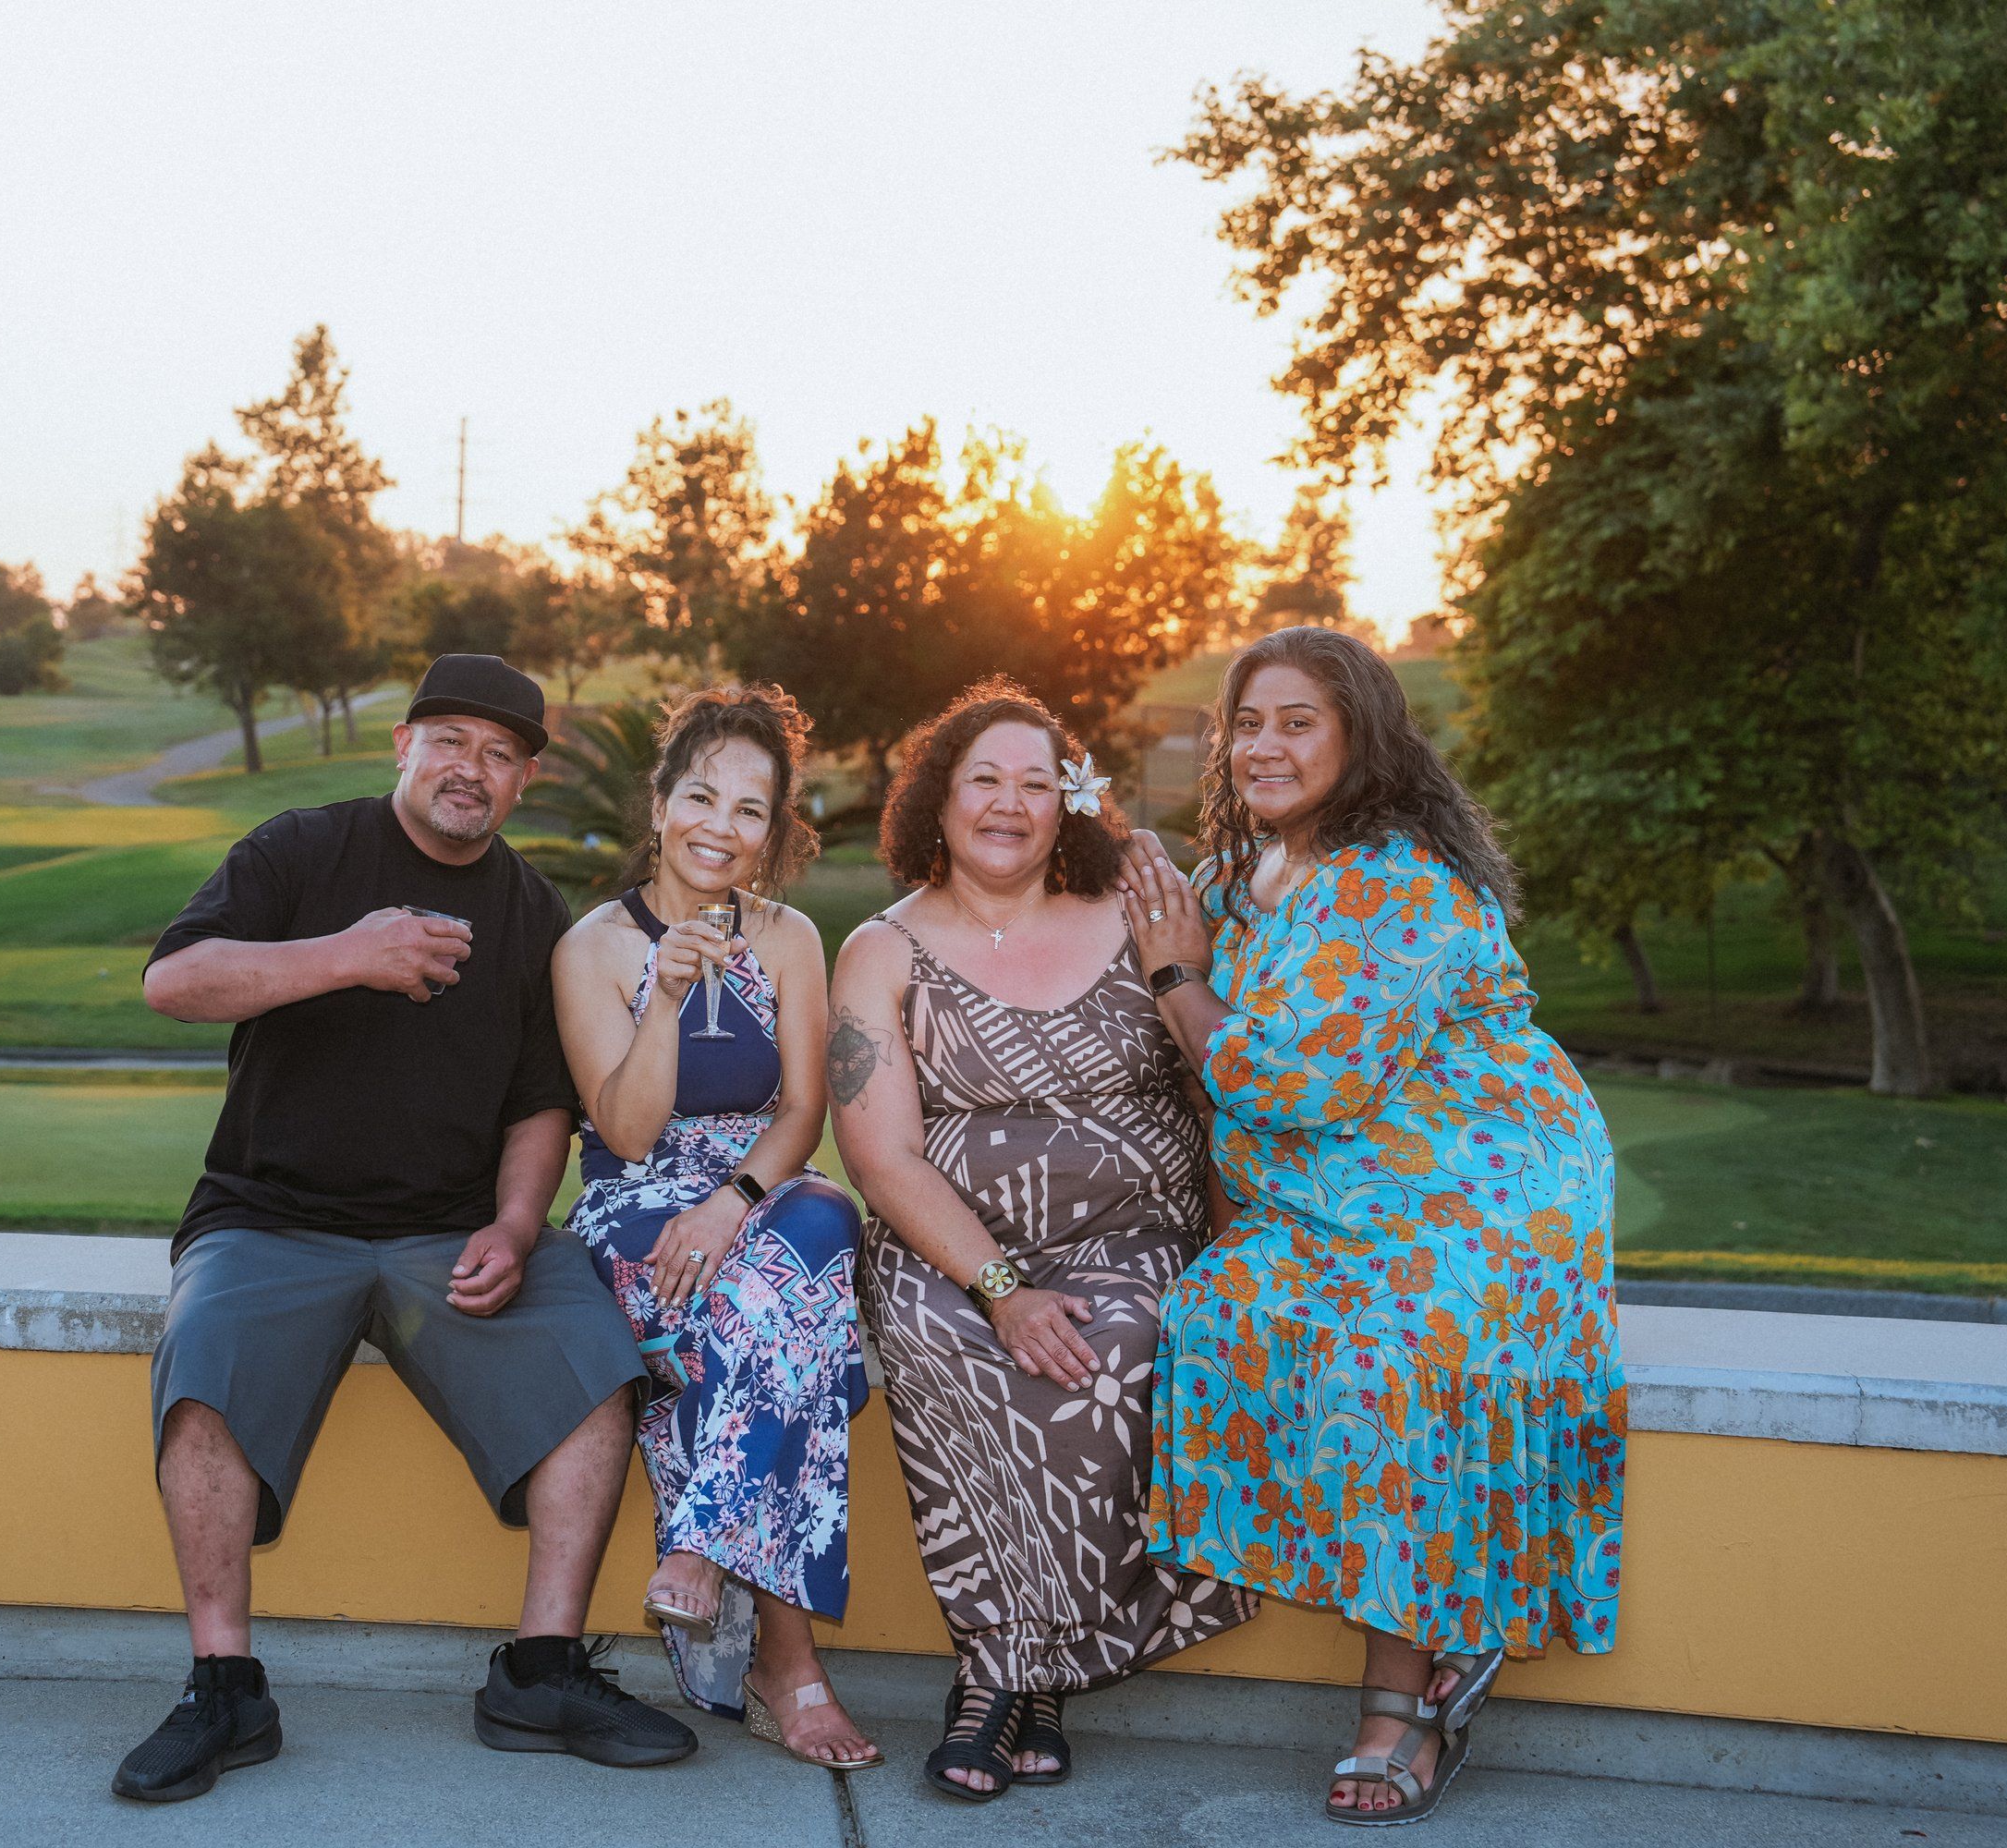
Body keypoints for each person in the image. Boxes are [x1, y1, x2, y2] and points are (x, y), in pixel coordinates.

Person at [115, 654, 696, 1805]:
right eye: (450, 741)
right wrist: (347, 954)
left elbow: (542, 1100)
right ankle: (226, 1686)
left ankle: (539, 1668)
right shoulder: (301, 849)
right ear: (403, 745)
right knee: (205, 1365)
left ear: (524, 777)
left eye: (498, 752)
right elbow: (174, 981)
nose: (469, 768)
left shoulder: (533, 914)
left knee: (597, 1360)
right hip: (269, 1218)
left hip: (449, 1234)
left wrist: (521, 1224)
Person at [1124, 626, 1624, 1827]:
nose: (1265, 745)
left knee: (1381, 1355)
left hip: (1490, 1204)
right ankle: (1449, 1617)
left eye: (1298, 721)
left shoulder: (1399, 885)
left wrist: (1175, 980)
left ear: (1362, 738)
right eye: (1247, 723)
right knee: (1209, 1314)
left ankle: (1398, 1708)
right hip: (1339, 1204)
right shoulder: (1235, 885)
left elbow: (1297, 1086)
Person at [828, 679, 1256, 1805]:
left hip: (1134, 1238)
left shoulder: (1134, 907)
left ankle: (1000, 1678)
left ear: (1069, 799)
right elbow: (881, 1158)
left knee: (1115, 1346)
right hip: (952, 1247)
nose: (1008, 804)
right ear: (938, 796)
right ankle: (1031, 1680)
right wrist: (1001, 1285)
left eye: (1035, 781)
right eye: (984, 779)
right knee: (934, 1332)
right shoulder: (883, 948)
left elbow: (1219, 1080)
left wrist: (1232, 1240)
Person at [553, 685, 881, 1770]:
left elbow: (803, 1111)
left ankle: (699, 1541)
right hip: (637, 1197)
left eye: (750, 809)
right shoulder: (593, 946)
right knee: (784, 1322)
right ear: (659, 803)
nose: (720, 826)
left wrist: (732, 1200)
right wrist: (663, 998)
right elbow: (626, 1125)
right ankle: (791, 1668)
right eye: (700, 796)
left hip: (756, 1187)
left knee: (825, 1217)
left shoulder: (789, 937)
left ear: (773, 830)